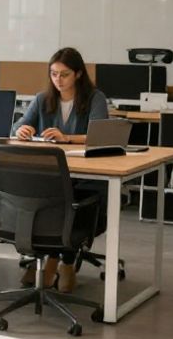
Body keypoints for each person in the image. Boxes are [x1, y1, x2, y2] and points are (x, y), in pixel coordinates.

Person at [12, 47, 110, 291]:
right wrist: (21, 130)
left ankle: (61, 262)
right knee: (47, 201)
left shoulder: (94, 98)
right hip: (52, 172)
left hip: (86, 173)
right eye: (54, 74)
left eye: (64, 74)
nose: (58, 80)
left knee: (73, 202)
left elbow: (100, 135)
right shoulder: (42, 98)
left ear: (78, 74)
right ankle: (54, 261)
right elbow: (17, 126)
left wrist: (67, 138)